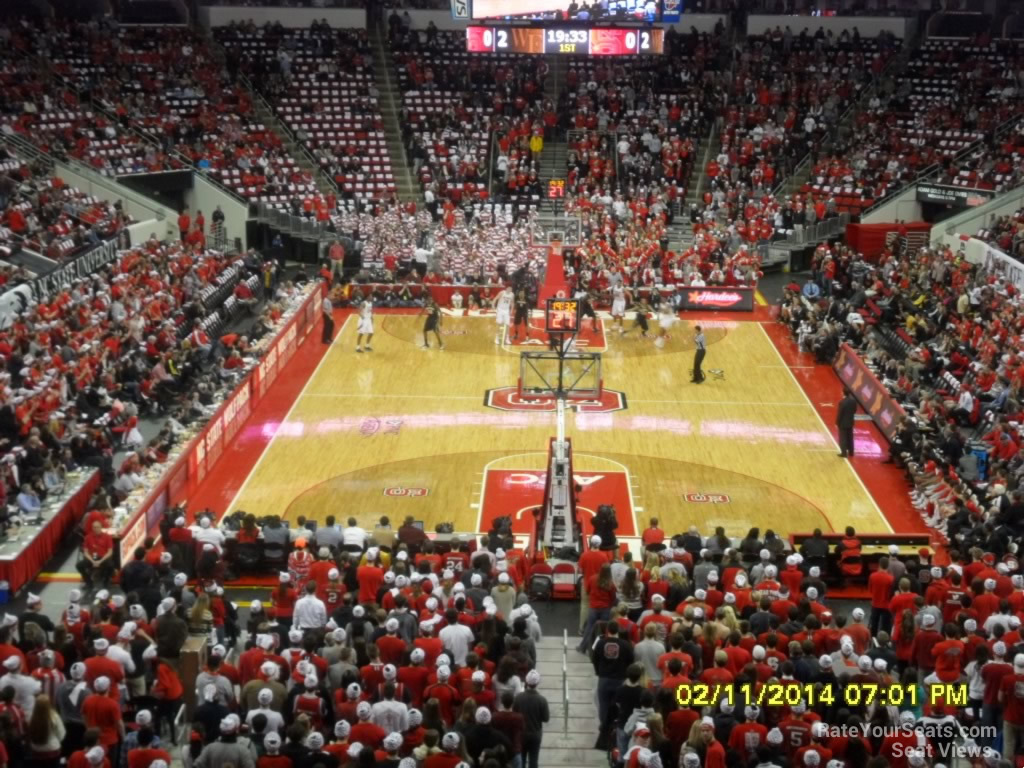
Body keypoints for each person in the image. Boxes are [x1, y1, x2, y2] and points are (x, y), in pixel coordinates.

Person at [77, 521, 115, 591]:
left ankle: (106, 582)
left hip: (103, 558)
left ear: (101, 528)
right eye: (94, 527)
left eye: (97, 527)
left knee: (111, 566)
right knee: (79, 565)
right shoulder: (88, 537)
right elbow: (85, 552)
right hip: (92, 558)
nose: (96, 529)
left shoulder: (107, 537)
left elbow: (110, 552)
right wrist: (92, 561)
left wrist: (100, 561)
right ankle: (89, 582)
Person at [836, 389, 857, 458]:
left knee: (843, 438)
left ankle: (844, 453)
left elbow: (840, 414)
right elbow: (854, 410)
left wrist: (837, 423)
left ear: (843, 393)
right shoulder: (853, 401)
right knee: (850, 437)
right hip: (850, 421)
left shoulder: (842, 402)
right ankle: (851, 452)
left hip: (843, 423)